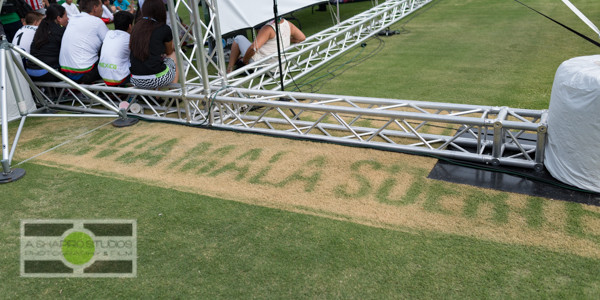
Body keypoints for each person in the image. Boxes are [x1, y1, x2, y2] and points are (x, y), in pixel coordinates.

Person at [129, 0, 178, 89]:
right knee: (173, 55)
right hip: (157, 79)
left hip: (135, 78)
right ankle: (173, 96)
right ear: (161, 10)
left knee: (156, 63)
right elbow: (169, 51)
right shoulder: (164, 28)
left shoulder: (135, 28)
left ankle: (156, 98)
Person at [227, 18, 305, 73]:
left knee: (238, 38)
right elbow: (302, 38)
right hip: (279, 68)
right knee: (255, 44)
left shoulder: (267, 28)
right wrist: (284, 40)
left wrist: (245, 61)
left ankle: (229, 70)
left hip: (264, 67)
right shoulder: (288, 23)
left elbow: (253, 48)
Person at [59, 0, 108, 83]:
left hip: (64, 72)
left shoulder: (72, 20)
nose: (102, 9)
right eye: (101, 6)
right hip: (83, 72)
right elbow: (110, 43)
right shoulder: (97, 22)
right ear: (95, 8)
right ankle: (119, 92)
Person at [26, 4, 68, 81]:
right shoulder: (60, 31)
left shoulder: (41, 28)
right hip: (46, 73)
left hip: (30, 71)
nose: (68, 18)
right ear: (59, 18)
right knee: (73, 71)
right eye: (66, 16)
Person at [98, 10, 133, 86]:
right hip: (119, 78)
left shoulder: (108, 33)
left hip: (102, 74)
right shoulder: (130, 38)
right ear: (130, 26)